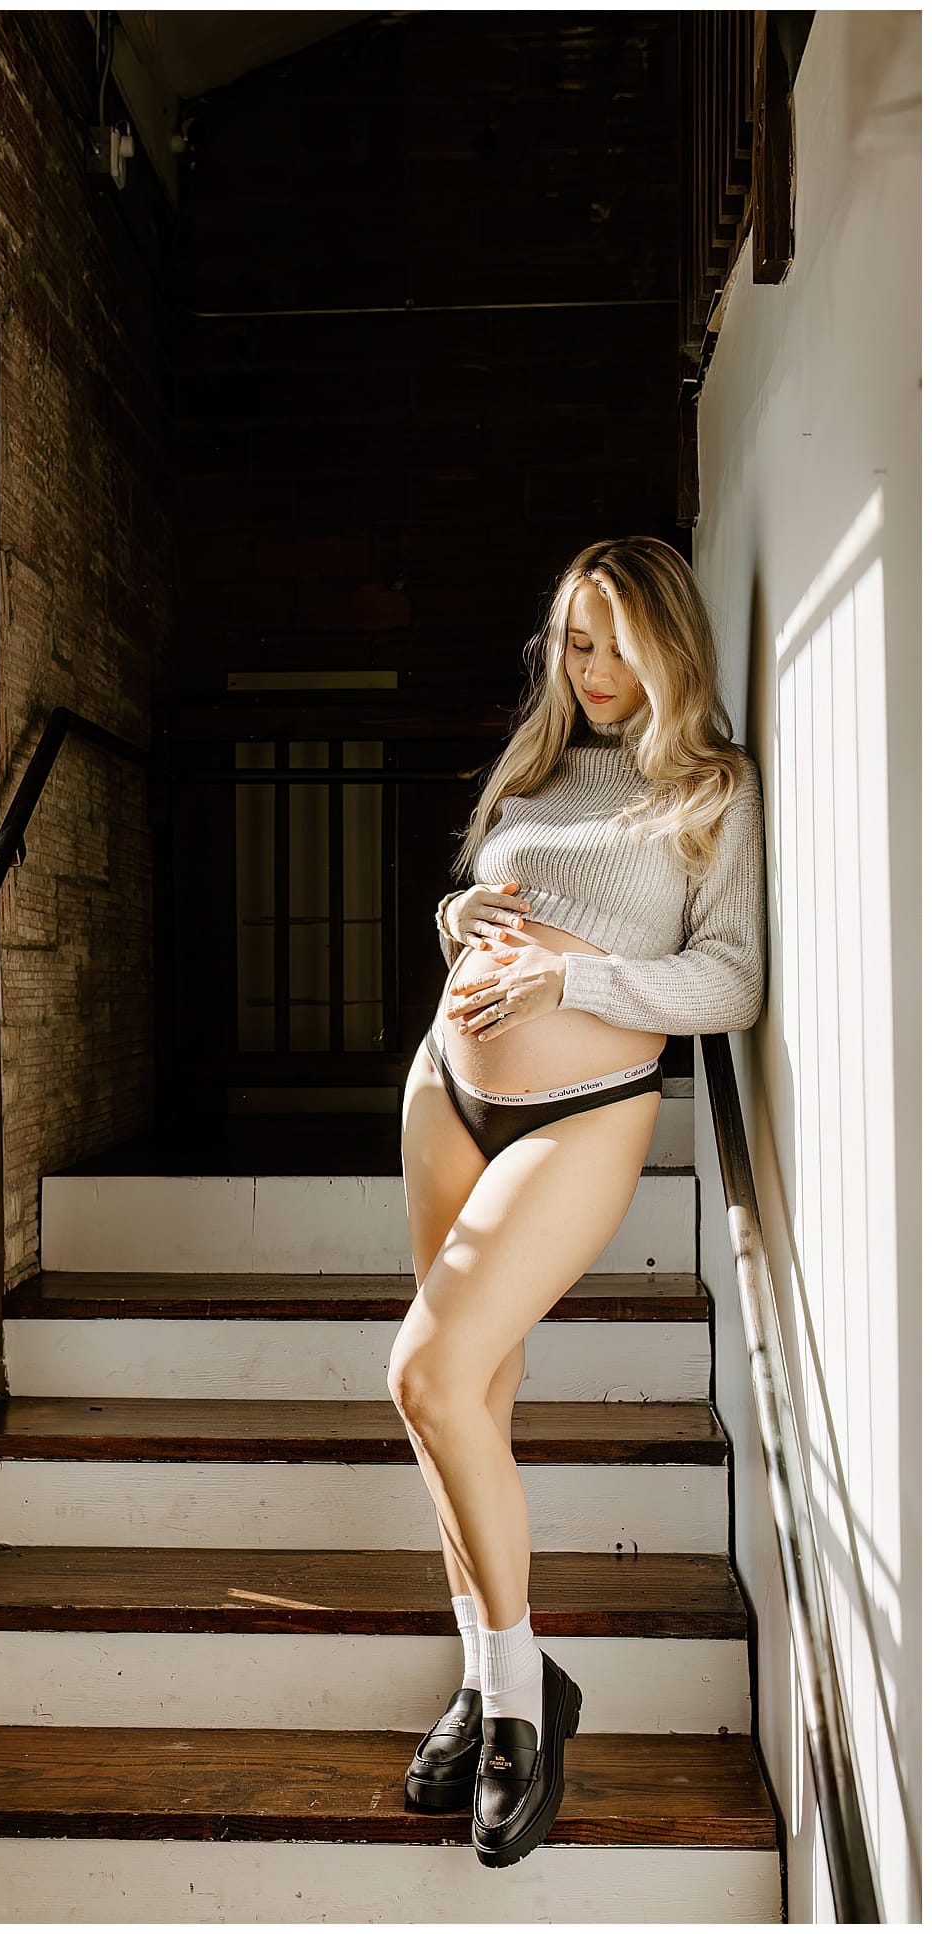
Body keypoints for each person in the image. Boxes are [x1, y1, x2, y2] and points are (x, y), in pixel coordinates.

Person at [389, 535, 767, 1870]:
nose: (588, 667)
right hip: (449, 1087)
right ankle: (496, 1678)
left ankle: (521, 1708)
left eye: (610, 641)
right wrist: (467, 918)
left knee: (423, 1376)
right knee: (470, 1399)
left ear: (668, 642)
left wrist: (571, 981)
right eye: (572, 642)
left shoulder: (713, 793)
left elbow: (727, 985)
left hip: (584, 1109)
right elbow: (477, 905)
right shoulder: (538, 766)